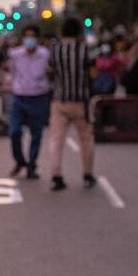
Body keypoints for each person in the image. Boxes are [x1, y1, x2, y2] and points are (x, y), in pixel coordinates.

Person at [47, 18, 96, 191]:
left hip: (59, 100)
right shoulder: (85, 50)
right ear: (79, 32)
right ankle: (87, 175)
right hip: (81, 100)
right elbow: (93, 74)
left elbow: (50, 73)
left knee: (56, 139)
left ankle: (56, 175)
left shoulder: (55, 50)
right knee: (86, 139)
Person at [8, 25, 50, 179]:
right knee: (14, 132)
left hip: (39, 97)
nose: (30, 39)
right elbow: (13, 73)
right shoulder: (16, 55)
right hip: (20, 97)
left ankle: (32, 165)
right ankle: (20, 161)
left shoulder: (45, 55)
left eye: (33, 36)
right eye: (27, 36)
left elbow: (49, 74)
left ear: (38, 39)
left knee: (36, 134)